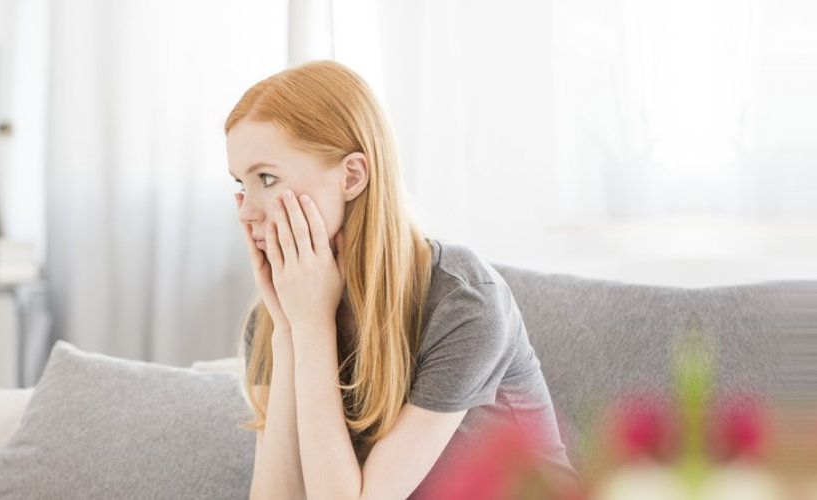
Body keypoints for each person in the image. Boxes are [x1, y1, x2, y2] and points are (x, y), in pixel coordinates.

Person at [226, 60, 576, 499]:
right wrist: (288, 332)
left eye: (267, 178)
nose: (245, 210)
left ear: (352, 176)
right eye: (240, 183)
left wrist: (312, 327)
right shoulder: (280, 313)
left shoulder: (462, 301)